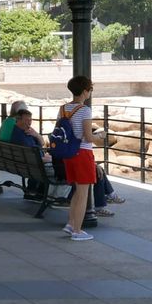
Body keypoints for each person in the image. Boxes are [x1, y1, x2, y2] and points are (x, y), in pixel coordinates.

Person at [60, 75, 97, 241]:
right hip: (83, 153)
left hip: (68, 153)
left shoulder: (63, 108)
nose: (90, 92)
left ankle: (70, 223)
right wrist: (100, 136)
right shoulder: (85, 110)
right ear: (84, 91)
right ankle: (77, 231)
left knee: (77, 190)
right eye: (90, 89)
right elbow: (88, 137)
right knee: (83, 194)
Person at [9, 109, 49, 199]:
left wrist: (36, 134)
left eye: (30, 120)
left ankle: (33, 190)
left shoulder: (26, 131)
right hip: (30, 164)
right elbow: (31, 155)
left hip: (29, 163)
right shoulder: (20, 136)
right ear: (18, 120)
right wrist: (46, 159)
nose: (29, 122)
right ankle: (38, 192)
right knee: (54, 166)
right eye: (26, 120)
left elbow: (42, 143)